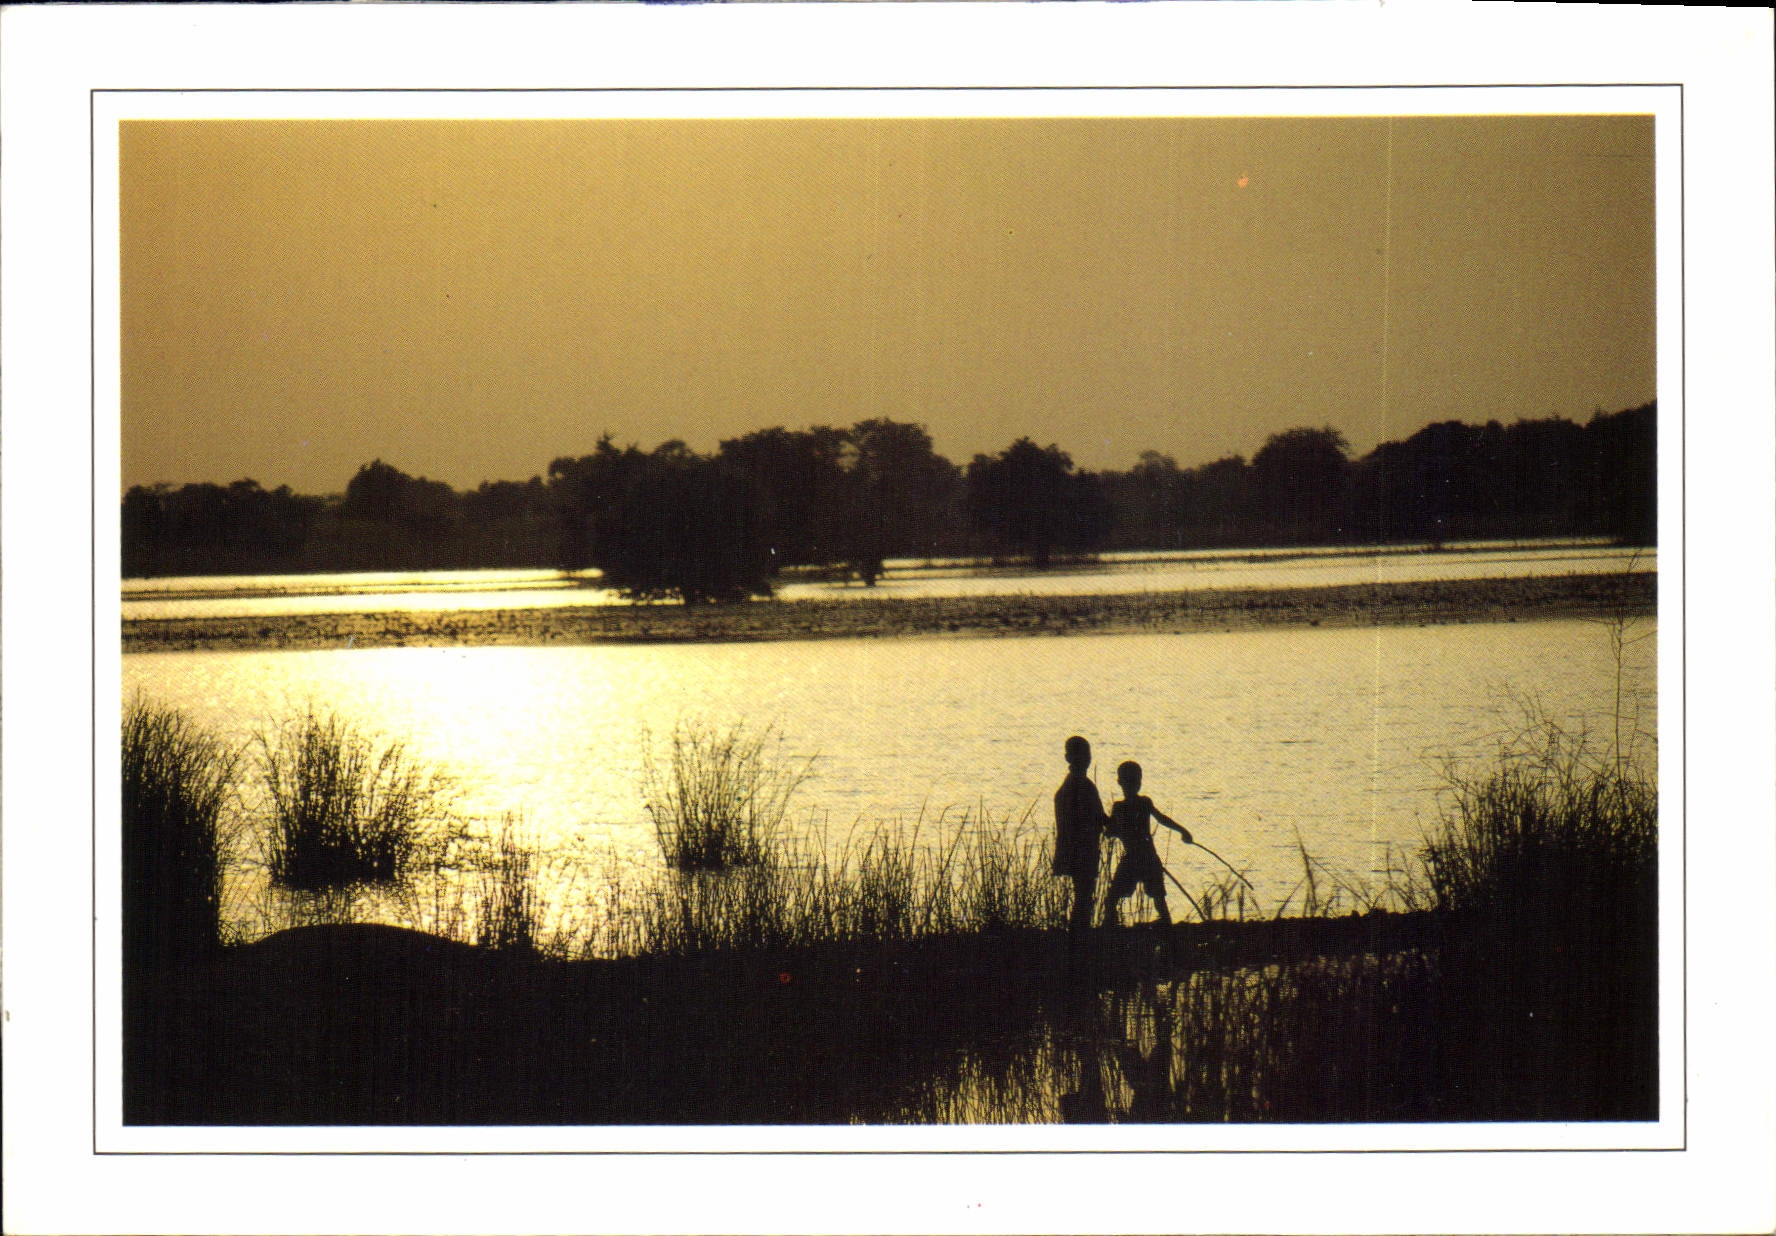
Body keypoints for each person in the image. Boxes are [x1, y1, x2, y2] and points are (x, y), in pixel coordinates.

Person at [1102, 760, 1191, 928]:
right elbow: (1161, 819)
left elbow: (1111, 832)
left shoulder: (1123, 807)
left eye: (1134, 780)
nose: (1133, 784)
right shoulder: (1140, 803)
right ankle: (1164, 925)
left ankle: (1111, 927)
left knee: (1114, 898)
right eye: (1131, 780)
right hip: (1146, 858)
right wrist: (1182, 830)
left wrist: (1182, 830)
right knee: (1155, 898)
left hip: (1138, 859)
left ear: (1119, 782)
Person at [1052, 735, 1107, 935]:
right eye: (1081, 755)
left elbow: (1098, 817)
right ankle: (1079, 936)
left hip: (1080, 848)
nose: (1085, 759)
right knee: (1084, 894)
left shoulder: (1078, 784)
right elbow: (1095, 818)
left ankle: (1079, 934)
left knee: (1083, 894)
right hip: (1081, 850)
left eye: (1087, 755)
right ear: (1068, 758)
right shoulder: (1080, 786)